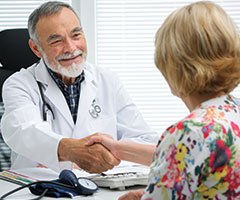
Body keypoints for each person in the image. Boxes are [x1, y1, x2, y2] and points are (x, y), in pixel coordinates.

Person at [86, 1, 240, 199]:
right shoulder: (233, 111)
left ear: (174, 65)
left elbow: (185, 150)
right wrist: (118, 149)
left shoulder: (188, 132)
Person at [0, 1, 158, 173]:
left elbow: (145, 140)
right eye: (56, 41)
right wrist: (72, 152)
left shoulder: (107, 80)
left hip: (100, 186)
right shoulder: (19, 84)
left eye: (76, 35)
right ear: (36, 48)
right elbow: (24, 131)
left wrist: (108, 152)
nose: (71, 48)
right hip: (40, 188)